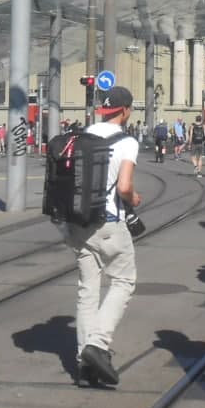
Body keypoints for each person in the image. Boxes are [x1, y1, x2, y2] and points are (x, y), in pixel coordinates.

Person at [64, 86, 142, 388]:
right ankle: (98, 344)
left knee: (88, 290)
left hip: (78, 222)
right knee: (123, 281)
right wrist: (134, 198)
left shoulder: (81, 135)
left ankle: (84, 362)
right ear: (124, 111)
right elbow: (123, 187)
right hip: (108, 223)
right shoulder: (126, 142)